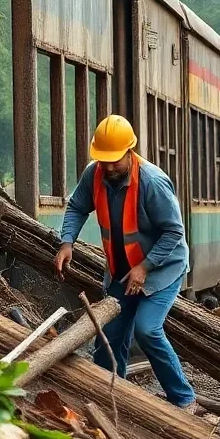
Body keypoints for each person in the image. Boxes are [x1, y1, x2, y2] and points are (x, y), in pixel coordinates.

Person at [55, 114, 197, 413]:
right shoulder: (94, 174)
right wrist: (66, 242)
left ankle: (184, 400)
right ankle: (110, 397)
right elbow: (78, 206)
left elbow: (174, 231)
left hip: (161, 271)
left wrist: (145, 267)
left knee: (147, 329)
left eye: (114, 161)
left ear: (129, 152)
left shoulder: (153, 182)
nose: (108, 167)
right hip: (121, 273)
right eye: (103, 160)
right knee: (109, 335)